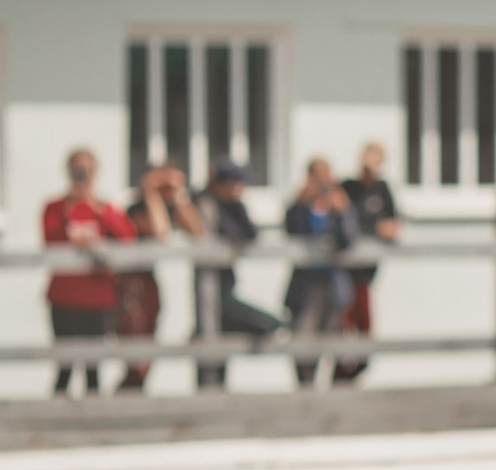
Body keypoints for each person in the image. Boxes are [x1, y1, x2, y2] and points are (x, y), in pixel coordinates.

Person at [42, 148, 135, 397]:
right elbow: (50, 241)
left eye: (86, 170)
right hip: (64, 298)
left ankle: (94, 424)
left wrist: (98, 208)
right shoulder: (55, 207)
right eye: (77, 170)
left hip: (98, 298)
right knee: (64, 365)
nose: (82, 175)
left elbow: (127, 238)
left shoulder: (105, 207)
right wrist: (69, 209)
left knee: (94, 367)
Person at [117, 159, 203, 393]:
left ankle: (134, 394)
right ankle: (127, 396)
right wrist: (150, 193)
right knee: (137, 353)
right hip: (131, 286)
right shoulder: (135, 209)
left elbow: (197, 231)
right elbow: (160, 234)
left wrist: (180, 195)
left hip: (148, 284)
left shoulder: (170, 206)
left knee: (149, 347)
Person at [194, 160, 280, 391]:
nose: (240, 190)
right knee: (212, 350)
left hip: (226, 287)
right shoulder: (204, 203)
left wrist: (236, 204)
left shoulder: (232, 207)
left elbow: (250, 234)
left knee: (221, 345)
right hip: (209, 293)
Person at [283, 156, 356, 389]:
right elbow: (289, 230)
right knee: (303, 342)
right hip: (306, 285)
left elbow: (349, 239)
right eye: (316, 175)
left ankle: (333, 394)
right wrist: (300, 202)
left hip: (332, 285)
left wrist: (342, 210)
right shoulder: (302, 206)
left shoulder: (339, 204)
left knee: (335, 343)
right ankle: (306, 390)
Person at [334, 141, 402, 386]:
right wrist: (375, 230)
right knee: (343, 330)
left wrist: (385, 230)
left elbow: (394, 224)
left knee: (364, 333)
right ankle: (340, 380)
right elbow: (344, 226)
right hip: (343, 272)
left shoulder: (382, 190)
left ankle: (350, 377)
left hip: (366, 272)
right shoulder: (347, 188)